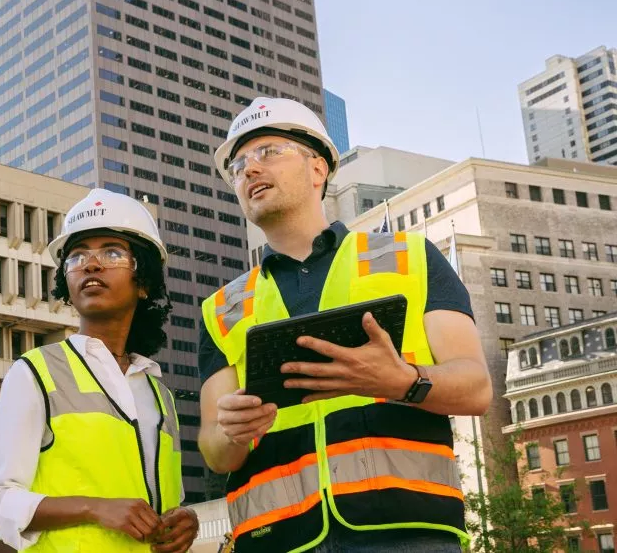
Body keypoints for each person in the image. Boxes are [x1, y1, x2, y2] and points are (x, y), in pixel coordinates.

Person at [197, 98, 492, 553]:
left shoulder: (409, 257)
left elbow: (476, 388)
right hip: (277, 539)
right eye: (238, 165)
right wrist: (231, 429)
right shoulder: (221, 308)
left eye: (269, 152)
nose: (249, 170)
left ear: (318, 170)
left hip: (408, 533)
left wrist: (403, 381)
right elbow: (216, 453)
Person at [0, 189, 198, 552]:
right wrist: (93, 508)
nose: (91, 265)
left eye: (112, 253)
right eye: (77, 257)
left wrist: (185, 520)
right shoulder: (35, 373)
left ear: (144, 283)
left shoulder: (161, 395)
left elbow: (159, 496)